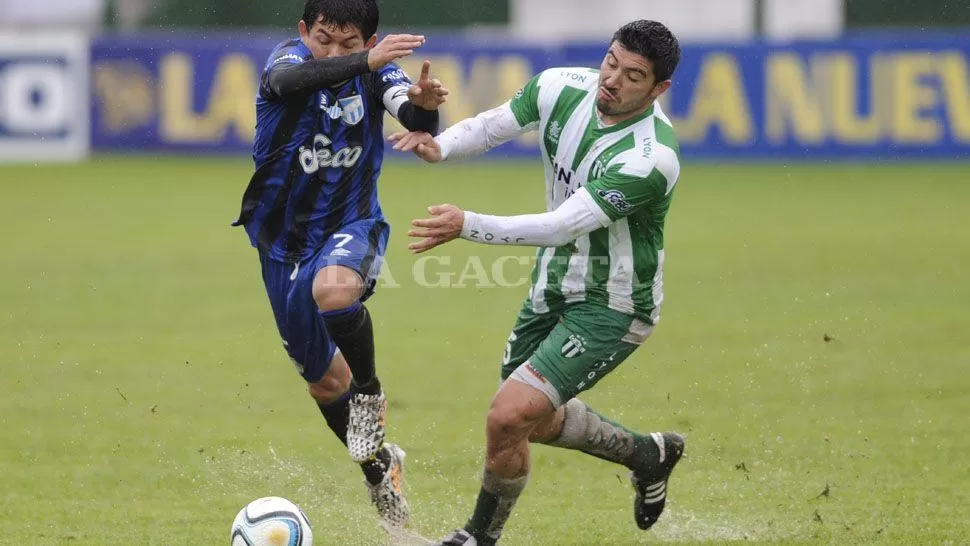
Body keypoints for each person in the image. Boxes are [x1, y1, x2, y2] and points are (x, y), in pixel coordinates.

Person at [389, 20, 685, 545]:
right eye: (611, 62)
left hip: (614, 300)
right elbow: (492, 124)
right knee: (530, 420)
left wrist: (468, 224)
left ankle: (478, 537)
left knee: (508, 416)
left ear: (659, 89)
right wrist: (441, 145)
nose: (613, 79)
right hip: (553, 281)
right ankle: (648, 455)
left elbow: (562, 224)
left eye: (633, 75)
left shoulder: (650, 159)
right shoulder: (559, 86)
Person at [231, 0, 447, 531]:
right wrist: (362, 63)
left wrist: (423, 107)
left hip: (352, 222)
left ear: (369, 43)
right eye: (323, 38)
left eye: (349, 44)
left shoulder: (378, 74)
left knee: (333, 292)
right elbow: (289, 83)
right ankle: (380, 468)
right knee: (326, 385)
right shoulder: (285, 63)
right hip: (281, 244)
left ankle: (370, 394)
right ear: (304, 31)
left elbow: (410, 111)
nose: (331, 50)